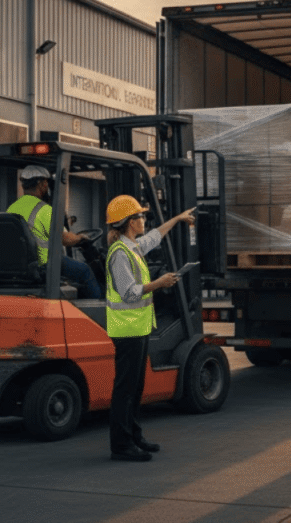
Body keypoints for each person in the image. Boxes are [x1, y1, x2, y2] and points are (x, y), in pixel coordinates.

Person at [105, 195, 196, 461]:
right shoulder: (120, 254)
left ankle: (134, 436)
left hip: (139, 328)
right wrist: (160, 283)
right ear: (130, 222)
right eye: (140, 216)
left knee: (135, 387)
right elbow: (129, 293)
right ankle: (121, 446)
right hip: (127, 331)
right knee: (125, 389)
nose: (144, 220)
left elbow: (155, 236)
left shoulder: (132, 246)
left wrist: (178, 219)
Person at [7, 165, 102, 299]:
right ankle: (101, 311)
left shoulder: (12, 208)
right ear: (42, 184)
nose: (47, 185)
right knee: (85, 271)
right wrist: (80, 237)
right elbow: (66, 239)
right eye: (46, 182)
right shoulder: (44, 210)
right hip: (45, 264)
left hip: (20, 267)